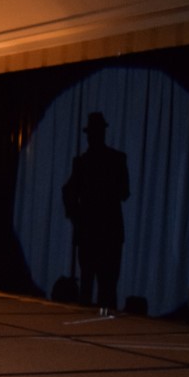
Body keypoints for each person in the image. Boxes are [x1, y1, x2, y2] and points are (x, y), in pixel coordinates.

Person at [62, 112, 130, 313]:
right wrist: (76, 215)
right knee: (102, 282)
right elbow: (124, 192)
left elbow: (124, 192)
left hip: (96, 229)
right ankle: (103, 317)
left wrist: (76, 215)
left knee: (96, 281)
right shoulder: (108, 160)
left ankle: (97, 317)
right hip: (101, 229)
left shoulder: (88, 162)